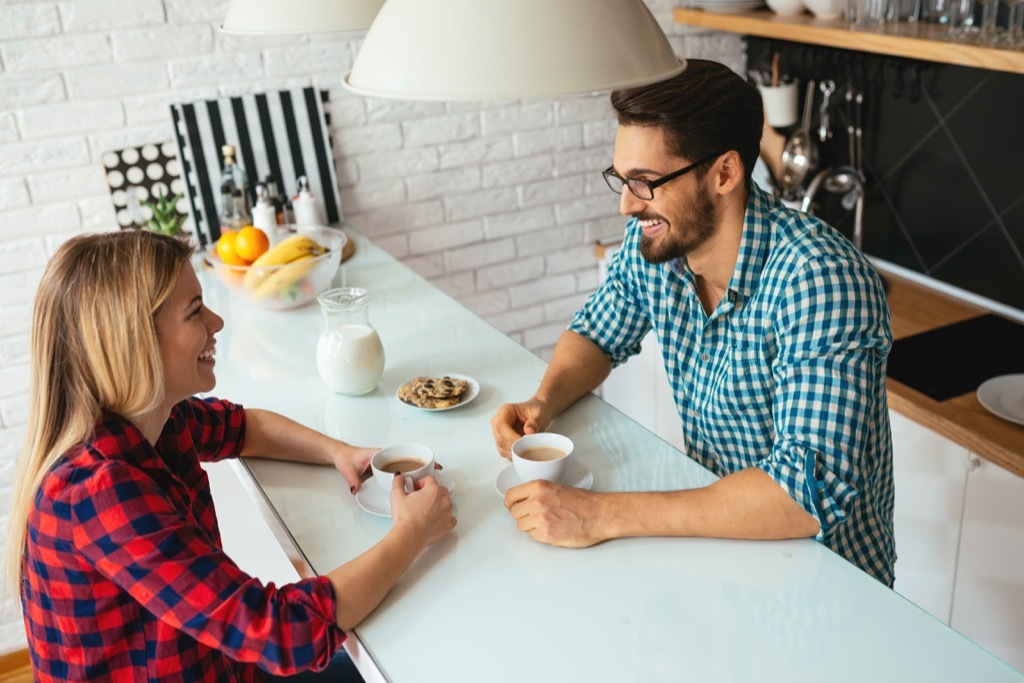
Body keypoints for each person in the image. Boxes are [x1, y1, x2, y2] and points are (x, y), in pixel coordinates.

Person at [490, 59, 895, 586]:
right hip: (721, 554)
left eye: (645, 182)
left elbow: (804, 497)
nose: (625, 205)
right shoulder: (660, 248)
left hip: (826, 591)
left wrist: (601, 514)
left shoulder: (819, 281)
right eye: (622, 178)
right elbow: (596, 331)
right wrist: (543, 403)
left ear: (725, 173)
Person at [4, 230, 456, 681]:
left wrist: (340, 451)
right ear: (135, 342)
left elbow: (245, 428)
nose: (217, 322)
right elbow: (283, 633)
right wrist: (412, 533)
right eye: (196, 311)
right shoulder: (97, 493)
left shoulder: (157, 420)